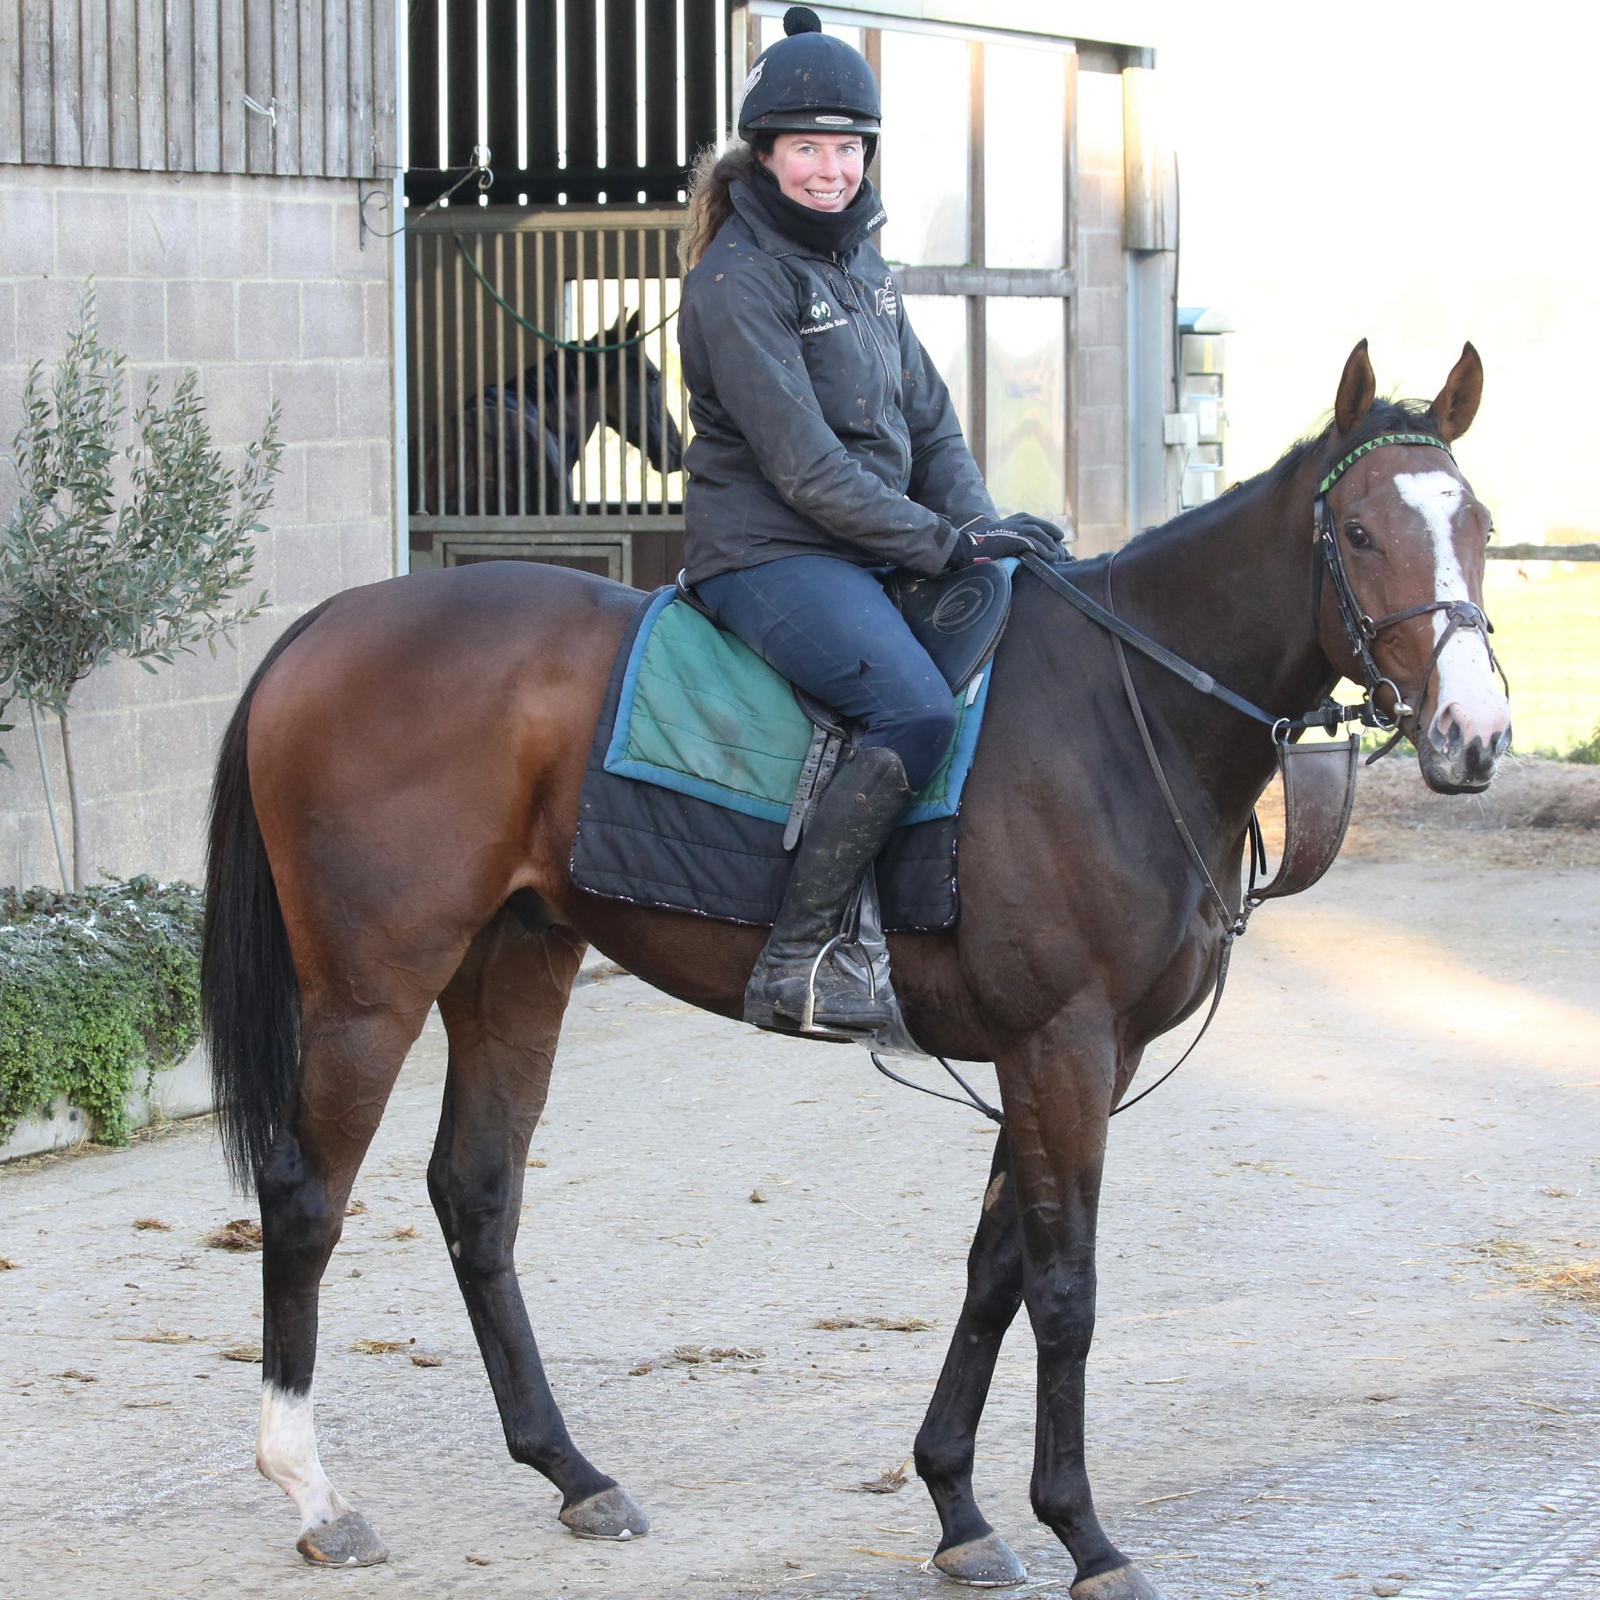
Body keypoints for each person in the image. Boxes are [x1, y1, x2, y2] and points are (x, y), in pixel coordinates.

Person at [677, 6, 1064, 1039]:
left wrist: (985, 535)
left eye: (846, 148)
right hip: (771, 553)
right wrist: (943, 546)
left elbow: (928, 421)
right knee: (913, 711)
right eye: (806, 148)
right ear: (762, 156)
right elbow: (803, 470)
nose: (829, 169)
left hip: (868, 544)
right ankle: (797, 960)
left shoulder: (861, 263)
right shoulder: (735, 282)